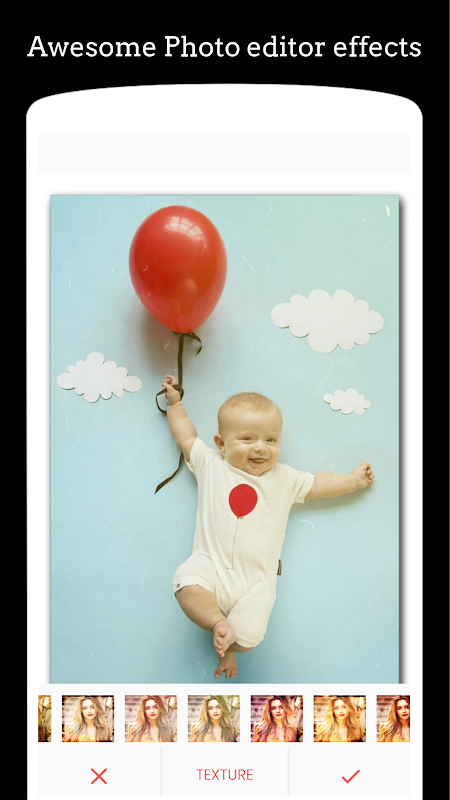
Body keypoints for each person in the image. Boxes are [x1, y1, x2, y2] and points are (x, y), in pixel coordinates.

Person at [164, 377, 374, 679]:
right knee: (185, 581)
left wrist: (352, 480)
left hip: (256, 583)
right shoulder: (212, 464)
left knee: (249, 638)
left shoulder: (285, 479)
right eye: (248, 439)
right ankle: (216, 622)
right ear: (221, 444)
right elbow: (186, 436)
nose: (261, 448)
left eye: (271, 440)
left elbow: (319, 484)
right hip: (210, 565)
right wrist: (175, 404)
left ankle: (230, 649)